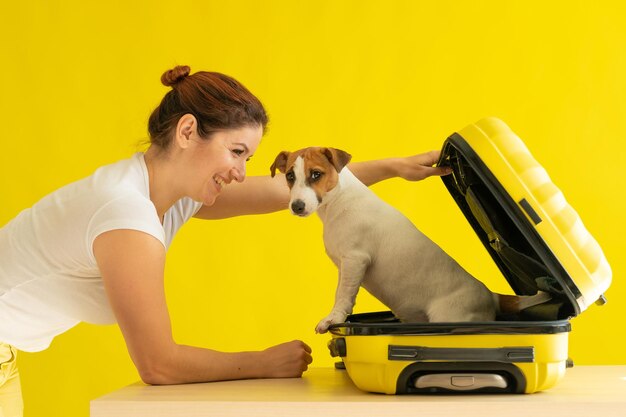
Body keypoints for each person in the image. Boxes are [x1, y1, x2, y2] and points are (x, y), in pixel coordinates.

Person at [0, 65, 450, 416]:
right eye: (236, 153)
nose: (241, 172)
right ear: (188, 132)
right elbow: (158, 364)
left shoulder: (170, 195)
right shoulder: (125, 213)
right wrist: (264, 362)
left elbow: (289, 190)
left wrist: (395, 167)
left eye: (249, 158)